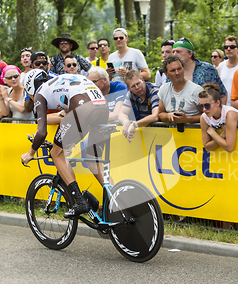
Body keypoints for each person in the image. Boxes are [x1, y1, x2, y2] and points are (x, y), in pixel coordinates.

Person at [21, 70, 109, 218]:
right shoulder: (57, 82)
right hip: (102, 107)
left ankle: (79, 201)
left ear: (29, 87)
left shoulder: (39, 94)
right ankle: (116, 200)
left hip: (82, 107)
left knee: (56, 153)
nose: (29, 97)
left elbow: (42, 132)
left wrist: (31, 152)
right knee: (93, 160)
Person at [158, 55, 204, 125]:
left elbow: (208, 115)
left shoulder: (196, 90)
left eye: (179, 69)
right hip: (172, 133)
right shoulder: (164, 89)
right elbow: (161, 114)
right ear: (166, 74)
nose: (177, 73)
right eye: (173, 70)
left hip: (195, 133)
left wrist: (187, 119)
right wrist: (169, 116)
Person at [198, 83, 238, 152]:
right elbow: (207, 148)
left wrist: (213, 133)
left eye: (207, 105)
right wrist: (222, 135)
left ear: (218, 103)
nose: (204, 109)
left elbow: (229, 147)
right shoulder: (204, 117)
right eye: (201, 106)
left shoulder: (230, 115)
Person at [118, 70, 160, 141]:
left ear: (142, 80)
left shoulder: (153, 90)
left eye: (138, 83)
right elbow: (121, 113)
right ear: (129, 88)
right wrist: (126, 122)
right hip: (146, 131)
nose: (137, 87)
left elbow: (155, 116)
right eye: (133, 86)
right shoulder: (131, 94)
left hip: (162, 130)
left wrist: (134, 125)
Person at [218, 36, 238, 105]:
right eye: (226, 47)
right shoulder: (221, 66)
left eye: (232, 47)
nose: (228, 49)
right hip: (224, 107)